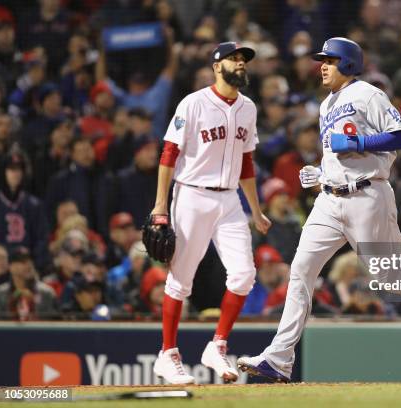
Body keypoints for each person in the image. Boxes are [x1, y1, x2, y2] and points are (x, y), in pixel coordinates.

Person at [237, 37, 401, 383]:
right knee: (300, 270)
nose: (322, 66)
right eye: (322, 60)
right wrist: (320, 172)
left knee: (391, 276)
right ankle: (279, 359)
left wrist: (358, 143)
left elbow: (400, 136)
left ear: (348, 64)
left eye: (329, 60)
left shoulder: (369, 94)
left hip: (368, 197)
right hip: (329, 199)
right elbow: (338, 155)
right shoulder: (326, 105)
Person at [150, 42, 271, 384]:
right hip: (192, 195)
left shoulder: (248, 108)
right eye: (234, 59)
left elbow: (247, 162)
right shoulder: (193, 103)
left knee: (245, 274)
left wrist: (257, 211)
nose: (241, 64)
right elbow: (168, 155)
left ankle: (216, 346)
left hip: (230, 199)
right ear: (217, 66)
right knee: (181, 280)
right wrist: (161, 205)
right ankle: (168, 355)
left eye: (244, 60)